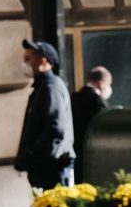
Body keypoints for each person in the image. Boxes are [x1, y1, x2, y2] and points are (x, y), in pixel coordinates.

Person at [15, 40, 76, 192]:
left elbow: (56, 128)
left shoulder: (51, 87)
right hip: (46, 166)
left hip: (52, 168)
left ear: (43, 61)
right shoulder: (43, 86)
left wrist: (36, 154)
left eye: (29, 59)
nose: (25, 63)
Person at [72, 65, 113, 165]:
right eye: (109, 85)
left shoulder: (73, 98)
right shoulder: (98, 103)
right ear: (101, 84)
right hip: (90, 154)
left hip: (74, 151)